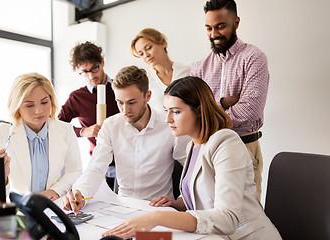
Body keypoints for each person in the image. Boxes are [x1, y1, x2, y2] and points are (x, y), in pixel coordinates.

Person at [103, 77, 282, 240]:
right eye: (167, 111)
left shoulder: (226, 142)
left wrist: (157, 217)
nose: (167, 119)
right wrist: (180, 203)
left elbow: (228, 218)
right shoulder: (193, 145)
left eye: (176, 112)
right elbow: (205, 192)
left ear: (199, 111)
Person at [62, 66, 189, 214]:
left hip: (160, 209)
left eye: (131, 102)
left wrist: (182, 200)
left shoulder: (169, 125)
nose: (125, 110)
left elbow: (192, 167)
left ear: (148, 96)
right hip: (122, 208)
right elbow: (96, 166)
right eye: (120, 102)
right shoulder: (111, 125)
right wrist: (80, 193)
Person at [190, 0, 269, 202]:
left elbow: (249, 110)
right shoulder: (199, 67)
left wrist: (211, 108)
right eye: (209, 28)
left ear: (236, 22)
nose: (214, 34)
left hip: (244, 147)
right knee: (209, 212)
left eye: (220, 26)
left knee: (247, 220)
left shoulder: (254, 58)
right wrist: (225, 102)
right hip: (208, 150)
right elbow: (194, 113)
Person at [0, 73, 82, 200]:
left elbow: (75, 171)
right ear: (16, 106)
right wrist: (1, 176)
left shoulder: (66, 130)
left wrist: (56, 191)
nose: (39, 110)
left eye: (44, 102)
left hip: (53, 206)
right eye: (29, 105)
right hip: (17, 210)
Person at [58, 42, 119, 190]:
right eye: (84, 72)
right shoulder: (77, 98)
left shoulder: (120, 88)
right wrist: (83, 131)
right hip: (100, 167)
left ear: (102, 62)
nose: (91, 75)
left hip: (128, 162)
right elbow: (58, 126)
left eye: (94, 68)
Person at [131, 28, 192, 113]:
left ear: (162, 43)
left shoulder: (189, 70)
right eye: (141, 54)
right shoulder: (145, 81)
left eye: (148, 48)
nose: (146, 55)